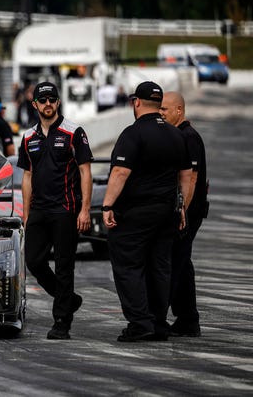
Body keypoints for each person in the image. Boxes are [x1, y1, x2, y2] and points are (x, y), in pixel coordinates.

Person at [102, 81, 191, 342]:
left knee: (129, 265)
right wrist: (182, 206)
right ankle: (158, 323)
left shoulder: (133, 133)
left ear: (136, 102)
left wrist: (107, 205)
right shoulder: (177, 135)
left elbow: (120, 172)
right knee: (160, 265)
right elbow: (186, 176)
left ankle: (141, 323)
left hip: (136, 212)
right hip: (167, 211)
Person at [17, 81, 93, 340]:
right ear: (35, 104)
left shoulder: (74, 132)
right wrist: (25, 215)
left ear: (58, 103)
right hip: (38, 209)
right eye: (43, 100)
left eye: (52, 99)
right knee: (33, 261)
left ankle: (61, 321)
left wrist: (85, 210)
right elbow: (27, 176)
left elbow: (85, 171)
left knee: (64, 266)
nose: (48, 104)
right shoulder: (28, 137)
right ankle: (68, 299)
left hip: (66, 209)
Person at [160, 91, 207, 337]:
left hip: (188, 213)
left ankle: (157, 318)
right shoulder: (178, 136)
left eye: (165, 109)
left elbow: (193, 177)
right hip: (185, 212)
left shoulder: (188, 137)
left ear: (179, 110)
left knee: (174, 264)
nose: (161, 113)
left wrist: (182, 213)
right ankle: (188, 319)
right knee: (183, 265)